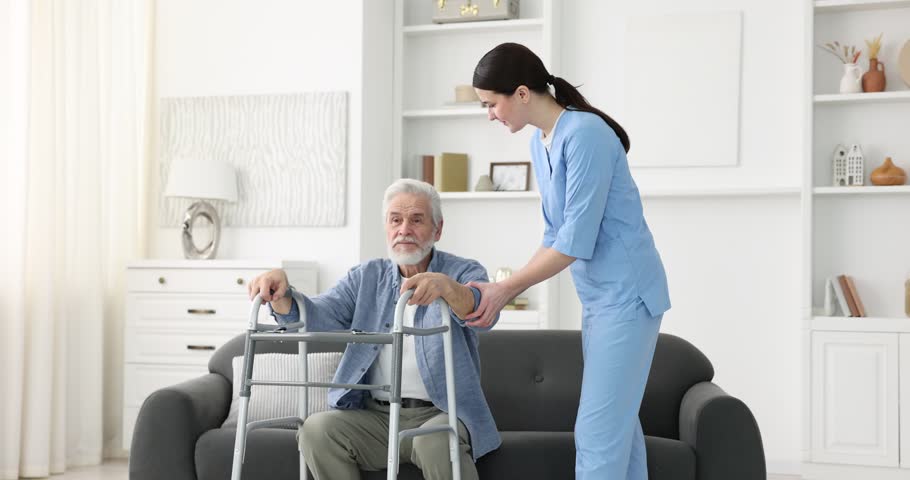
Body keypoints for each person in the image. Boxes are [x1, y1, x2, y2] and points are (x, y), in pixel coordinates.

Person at [467, 42, 671, 479]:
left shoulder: (585, 134)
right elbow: (553, 236)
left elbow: (574, 241)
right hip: (599, 301)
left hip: (628, 297)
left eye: (491, 104)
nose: (490, 115)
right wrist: (506, 288)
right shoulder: (542, 145)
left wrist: (506, 288)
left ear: (521, 93)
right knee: (620, 431)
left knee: (598, 432)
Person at [247, 179, 500, 480]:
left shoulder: (464, 271)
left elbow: (480, 307)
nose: (404, 229)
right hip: (376, 416)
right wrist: (283, 294)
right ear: (386, 227)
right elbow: (318, 316)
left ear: (438, 229)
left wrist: (448, 288)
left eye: (416, 219)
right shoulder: (366, 276)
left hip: (440, 414)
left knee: (433, 442)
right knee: (316, 431)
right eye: (395, 220)